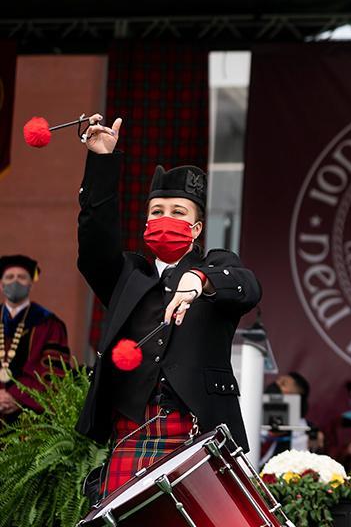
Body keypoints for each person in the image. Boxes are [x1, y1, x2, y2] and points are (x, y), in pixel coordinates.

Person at [74, 113, 261, 499]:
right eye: (157, 212)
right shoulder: (127, 274)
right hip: (134, 427)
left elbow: (248, 287)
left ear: (196, 229)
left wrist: (200, 280)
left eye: (179, 213)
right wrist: (102, 161)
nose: (166, 219)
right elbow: (94, 238)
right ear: (145, 223)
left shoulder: (217, 265)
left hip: (198, 426)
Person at [0, 255, 70, 421]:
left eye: (22, 277)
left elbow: (52, 372)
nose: (15, 281)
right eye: (10, 277)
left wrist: (17, 396)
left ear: (31, 283)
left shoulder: (49, 324)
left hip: (29, 420)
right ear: (1, 284)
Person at [260, 371, 325, 464]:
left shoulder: (306, 431)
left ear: (297, 397)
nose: (275, 385)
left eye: (283, 384)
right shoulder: (252, 416)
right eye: (277, 381)